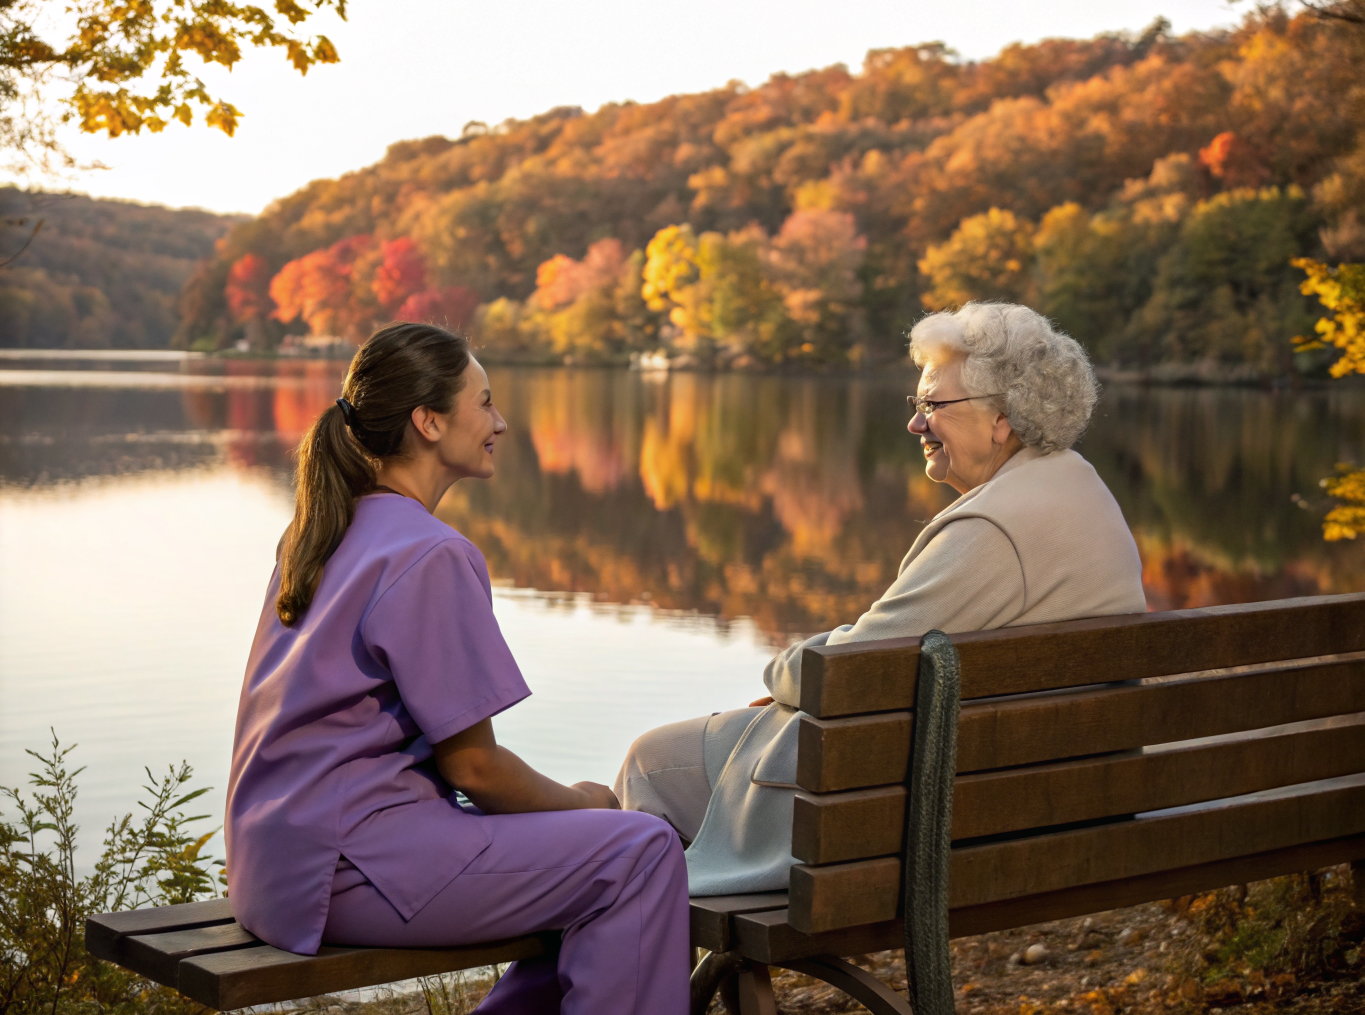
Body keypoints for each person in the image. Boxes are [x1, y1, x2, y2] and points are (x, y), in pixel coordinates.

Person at [225, 322, 690, 1015]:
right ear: (430, 421)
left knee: (592, 861)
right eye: (485, 402)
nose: (499, 420)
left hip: (276, 864)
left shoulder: (321, 529)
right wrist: (586, 802)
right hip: (351, 870)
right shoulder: (429, 553)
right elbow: (474, 770)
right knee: (640, 849)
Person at [615, 302, 1147, 895]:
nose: (916, 425)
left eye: (932, 406)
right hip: (1049, 795)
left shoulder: (991, 530)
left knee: (651, 762)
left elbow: (847, 672)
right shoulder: (1080, 488)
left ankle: (642, 970)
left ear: (1001, 418)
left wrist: (785, 673)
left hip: (952, 814)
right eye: (916, 406)